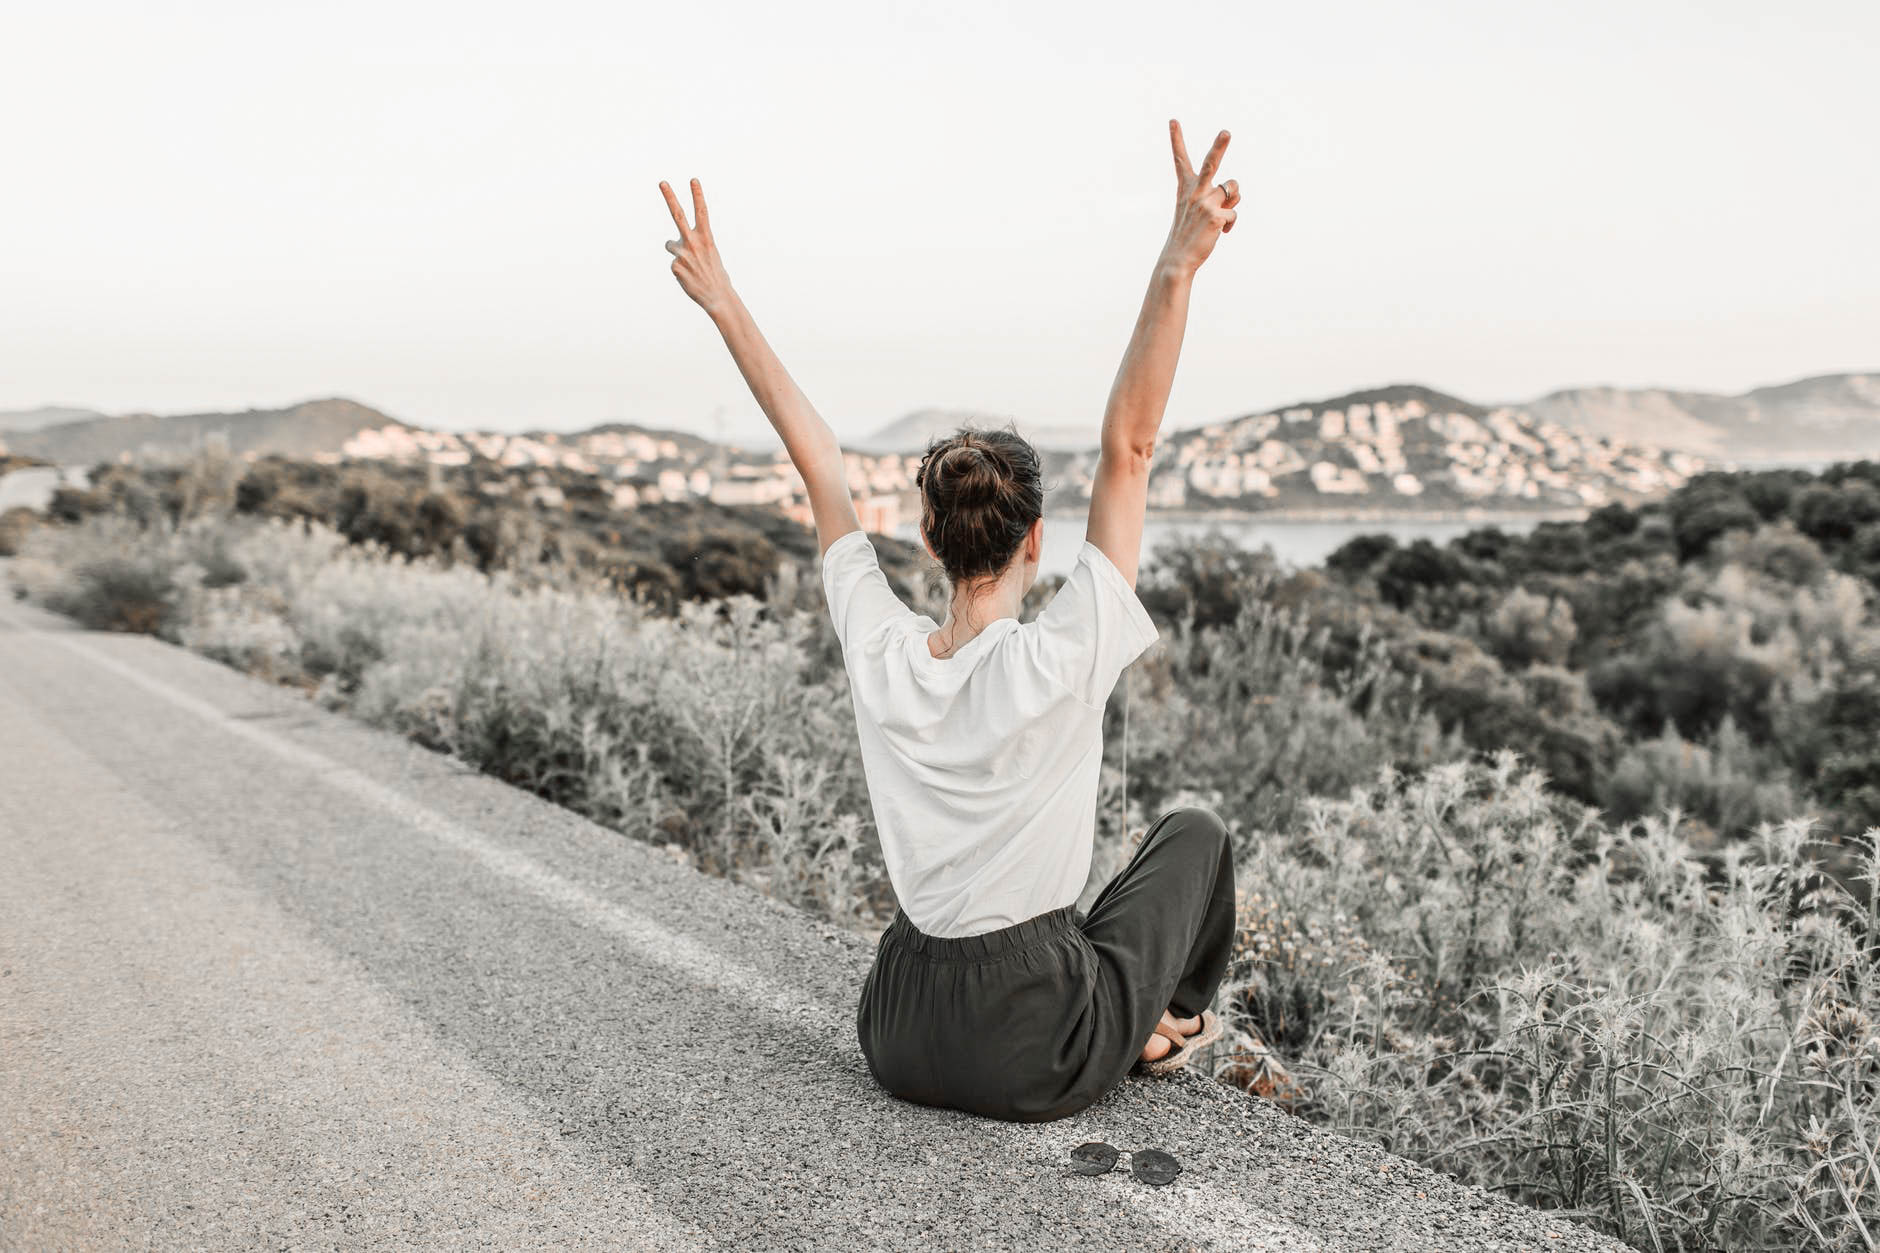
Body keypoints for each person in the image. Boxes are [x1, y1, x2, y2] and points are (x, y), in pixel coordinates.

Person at [659, 119, 1240, 1122]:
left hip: (898, 1026)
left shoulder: (881, 649)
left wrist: (722, 300)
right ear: (1035, 541)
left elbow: (816, 459)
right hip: (1030, 1043)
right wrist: (1176, 262)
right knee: (1193, 834)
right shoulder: (1064, 652)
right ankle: (1164, 1025)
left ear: (926, 537)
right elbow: (1130, 448)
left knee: (1070, 918)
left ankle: (1136, 1024)